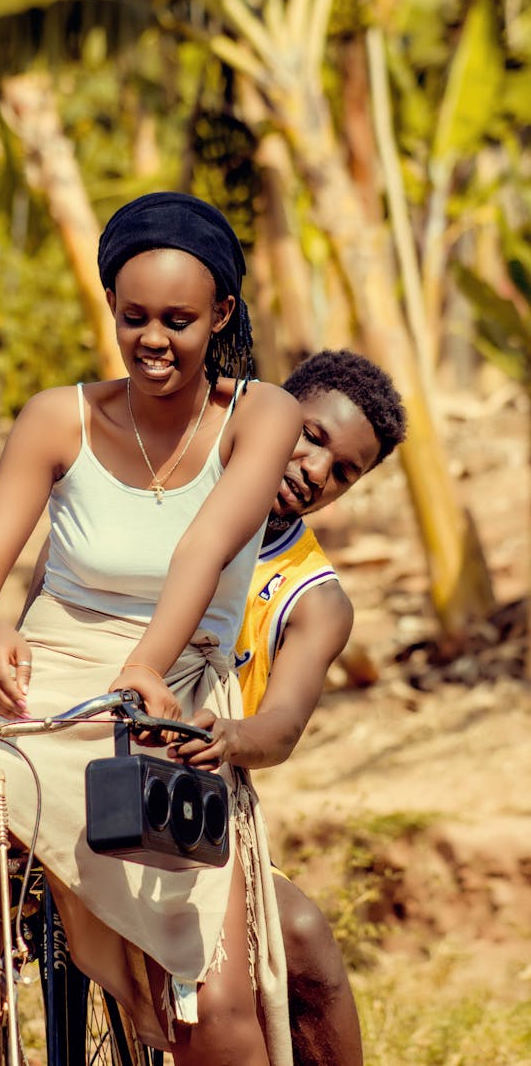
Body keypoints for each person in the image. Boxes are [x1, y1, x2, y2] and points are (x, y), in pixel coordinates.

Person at [0, 191, 304, 1066]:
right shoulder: (59, 416)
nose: (153, 339)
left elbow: (204, 547)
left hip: (166, 684)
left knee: (223, 1018)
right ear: (112, 311)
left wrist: (147, 665)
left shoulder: (262, 413)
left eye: (179, 319)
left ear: (223, 315)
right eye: (134, 318)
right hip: (44, 676)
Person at [173, 348, 407, 1065]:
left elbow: (283, 725)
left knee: (301, 934)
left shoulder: (317, 597)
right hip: (75, 732)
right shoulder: (161, 489)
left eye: (344, 471)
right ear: (272, 410)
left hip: (190, 784)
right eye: (311, 435)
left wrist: (232, 735)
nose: (315, 471)